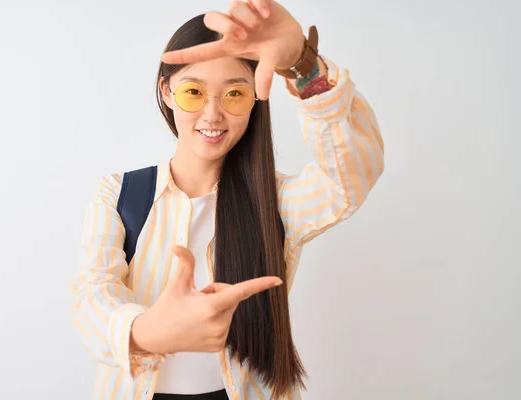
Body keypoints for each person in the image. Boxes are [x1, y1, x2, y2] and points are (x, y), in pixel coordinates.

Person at [69, 1, 384, 399]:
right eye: (194, 92)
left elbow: (351, 177)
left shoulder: (277, 201)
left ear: (255, 99)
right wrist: (149, 331)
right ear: (167, 91)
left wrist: (305, 68)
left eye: (235, 93)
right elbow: (91, 296)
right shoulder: (117, 195)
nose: (213, 114)